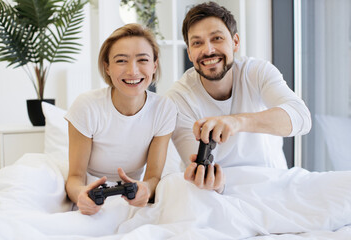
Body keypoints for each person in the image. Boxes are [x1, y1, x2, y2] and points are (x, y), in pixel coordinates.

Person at [166, 2, 311, 194]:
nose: (208, 50)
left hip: (274, 185)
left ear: (235, 42)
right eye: (197, 42)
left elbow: (302, 119)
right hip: (222, 195)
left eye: (216, 38)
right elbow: (200, 174)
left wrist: (236, 122)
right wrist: (213, 185)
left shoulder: (257, 72)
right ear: (190, 53)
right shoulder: (179, 98)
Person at [65, 23, 177, 215]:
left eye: (142, 60)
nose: (133, 71)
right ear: (107, 67)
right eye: (121, 61)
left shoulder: (164, 109)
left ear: (154, 65)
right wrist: (81, 195)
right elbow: (75, 177)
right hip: (91, 193)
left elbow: (153, 177)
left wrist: (146, 190)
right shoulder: (87, 106)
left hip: (130, 196)